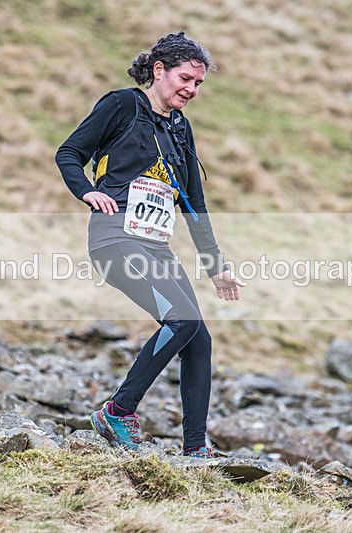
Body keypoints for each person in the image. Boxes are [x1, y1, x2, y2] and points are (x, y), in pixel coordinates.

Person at [55, 32, 245, 458]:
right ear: (158, 70)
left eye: (198, 84)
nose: (191, 89)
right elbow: (68, 153)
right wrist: (87, 191)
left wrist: (215, 266)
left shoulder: (181, 129)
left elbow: (195, 204)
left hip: (156, 248)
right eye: (185, 79)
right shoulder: (122, 105)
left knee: (198, 338)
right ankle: (118, 412)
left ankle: (195, 448)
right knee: (180, 321)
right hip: (116, 240)